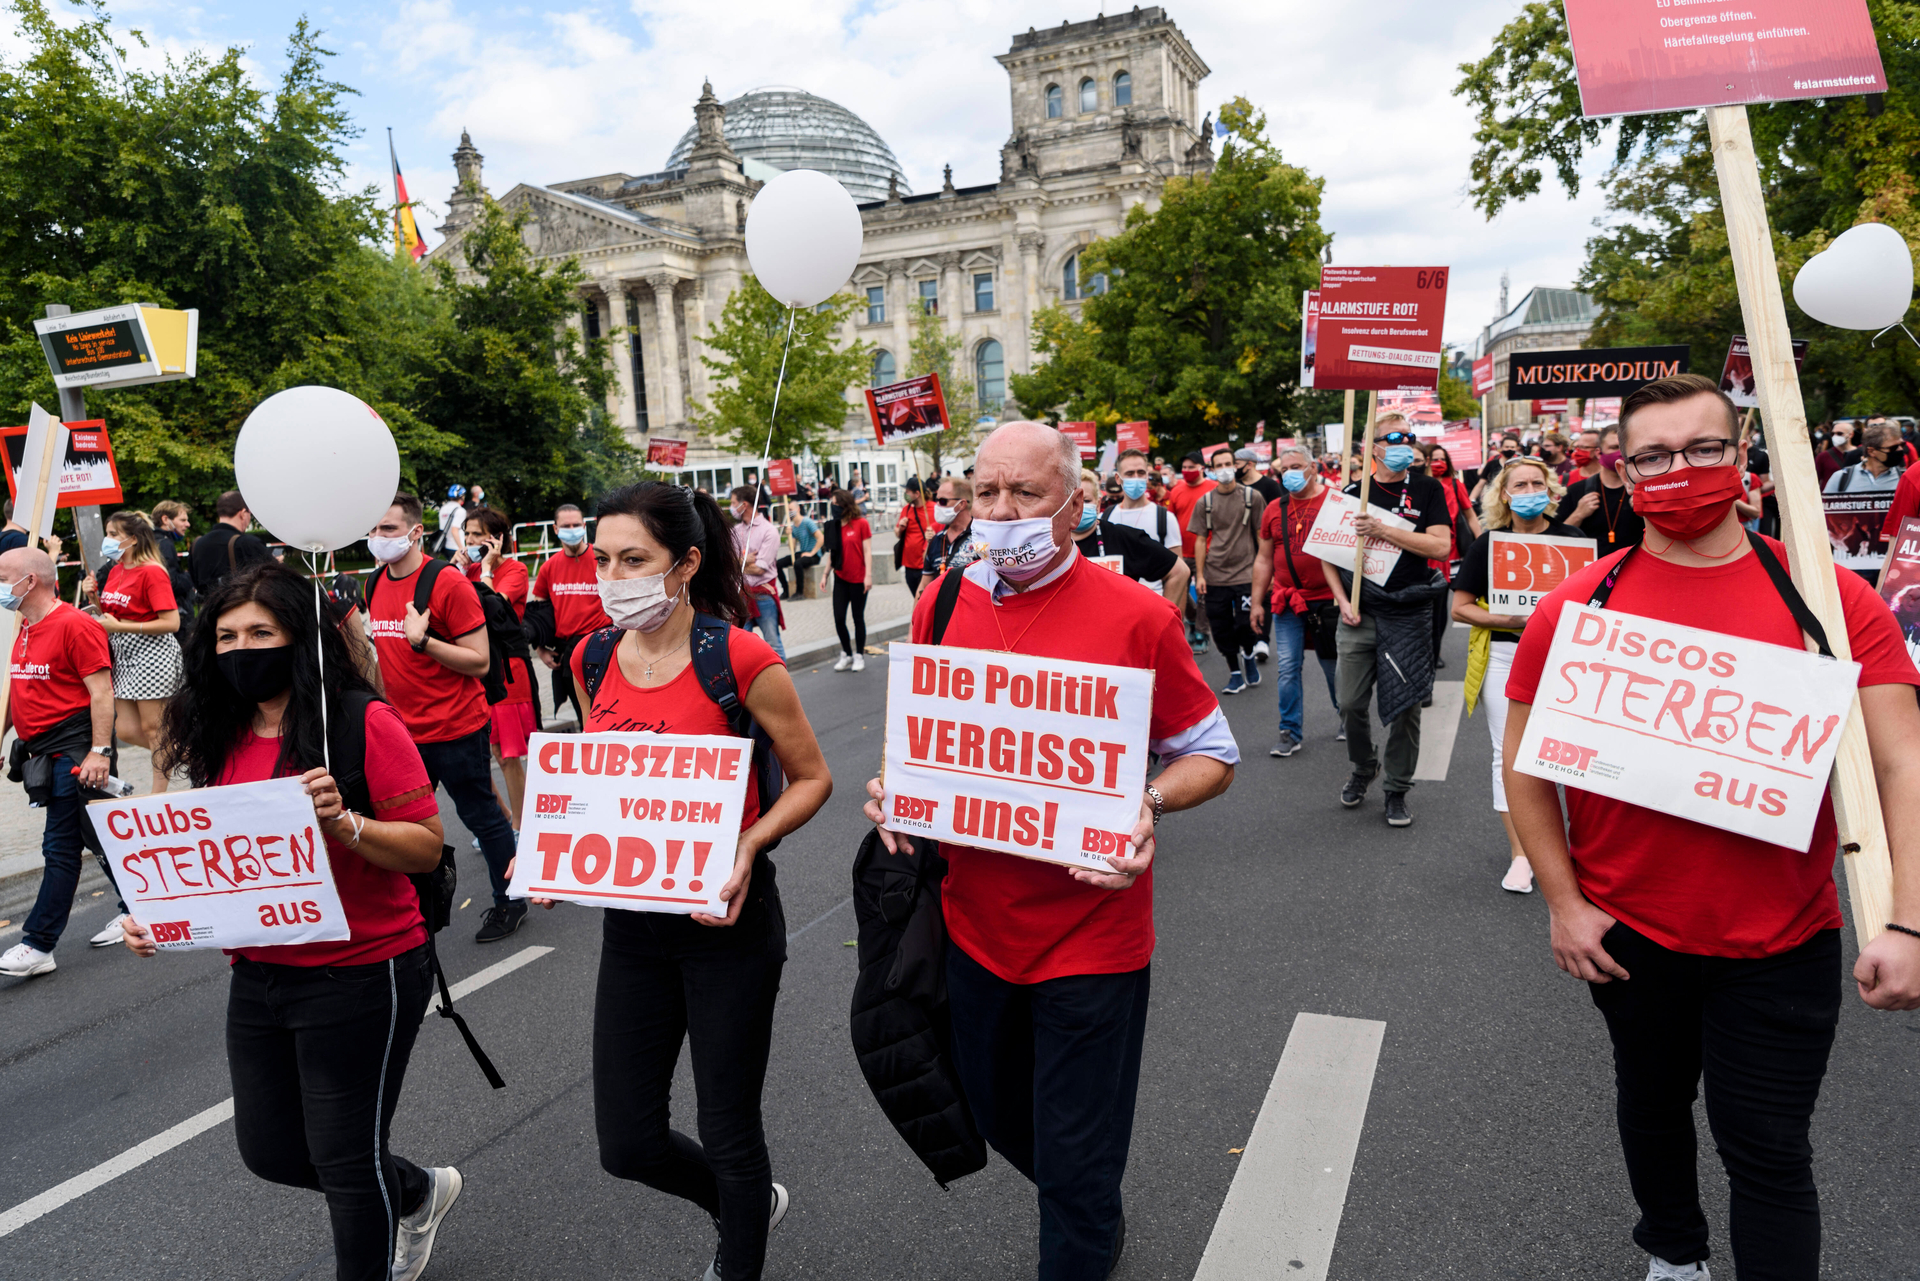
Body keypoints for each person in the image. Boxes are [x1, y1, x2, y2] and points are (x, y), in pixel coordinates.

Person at [1503, 372, 1920, 1281]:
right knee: (1650, 1106)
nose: (1678, 470)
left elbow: (1903, 766)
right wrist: (1565, 903)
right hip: (1628, 933)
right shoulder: (1575, 609)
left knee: (1769, 1150)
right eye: (1653, 456)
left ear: (1741, 462)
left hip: (1784, 937)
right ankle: (1675, 1253)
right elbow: (1526, 767)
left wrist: (1908, 918)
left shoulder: (1835, 606)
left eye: (1701, 449)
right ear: (1624, 471)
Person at [859, 421, 1237, 1281]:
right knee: (999, 1117)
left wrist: (1144, 803)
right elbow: (919, 737)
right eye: (984, 492)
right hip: (972, 929)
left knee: (1072, 1156)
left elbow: (1211, 753)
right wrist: (894, 785)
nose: (1000, 511)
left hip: (1092, 937)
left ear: (1077, 503)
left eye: (1025, 493)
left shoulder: (1138, 614)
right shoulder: (942, 600)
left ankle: (1081, 1214)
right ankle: (1090, 1203)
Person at [516, 481, 831, 1281]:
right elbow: (606, 782)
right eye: (603, 558)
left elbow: (810, 778)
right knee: (627, 1143)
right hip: (635, 930)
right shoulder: (592, 656)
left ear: (685, 563)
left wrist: (751, 843)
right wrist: (550, 848)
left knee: (730, 1130)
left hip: (728, 927)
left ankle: (741, 1246)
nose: (613, 575)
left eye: (635, 559)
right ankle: (744, 1204)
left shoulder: (739, 658)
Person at [124, 562, 462, 1281]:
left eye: (260, 632)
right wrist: (162, 916)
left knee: (344, 1155)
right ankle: (415, 1190)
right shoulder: (218, 730)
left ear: (300, 638)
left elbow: (425, 845)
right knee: (271, 1150)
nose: (241, 647)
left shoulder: (361, 719)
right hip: (261, 973)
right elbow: (222, 859)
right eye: (226, 635)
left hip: (364, 970)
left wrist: (346, 823)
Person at [364, 493, 524, 945]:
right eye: (373, 530)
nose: (379, 538)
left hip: (456, 727)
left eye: (389, 529)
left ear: (416, 532)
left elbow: (478, 660)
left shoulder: (447, 582)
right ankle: (412, 911)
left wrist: (425, 642)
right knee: (403, 827)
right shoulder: (373, 584)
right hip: (402, 731)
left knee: (482, 817)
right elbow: (382, 656)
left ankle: (510, 900)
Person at [1449, 457, 1581, 894]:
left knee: (1572, 756)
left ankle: (1579, 849)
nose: (1528, 491)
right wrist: (1507, 617)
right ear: (1504, 494)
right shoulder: (1488, 545)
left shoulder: (1574, 541)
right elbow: (1461, 607)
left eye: (1536, 483)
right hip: (1505, 657)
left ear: (1551, 489)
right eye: (1519, 485)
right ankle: (1522, 854)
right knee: (1507, 755)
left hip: (1564, 662)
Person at [0, 546, 127, 976]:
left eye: (3, 575)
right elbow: (17, 691)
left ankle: (39, 944)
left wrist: (100, 752)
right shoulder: (24, 625)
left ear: (29, 581)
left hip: (73, 753)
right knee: (99, 838)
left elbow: (102, 694)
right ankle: (140, 908)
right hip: (44, 750)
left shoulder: (76, 625)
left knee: (60, 847)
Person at [1322, 416, 1452, 828]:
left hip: (1410, 612)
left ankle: (1397, 788)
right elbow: (1327, 555)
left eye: (1409, 439)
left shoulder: (1428, 488)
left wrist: (1381, 529)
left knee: (1406, 708)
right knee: (1349, 703)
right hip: (1361, 612)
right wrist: (1342, 601)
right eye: (1393, 438)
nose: (1404, 445)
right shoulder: (1350, 494)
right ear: (1371, 446)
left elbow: (1441, 546)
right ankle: (1364, 766)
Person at [1250, 445, 1342, 757]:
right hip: (1286, 602)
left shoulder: (1334, 502)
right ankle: (1290, 731)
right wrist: (1257, 602)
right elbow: (1263, 560)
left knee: (1333, 667)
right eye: (1284, 469)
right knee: (1288, 666)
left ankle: (1347, 717)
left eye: (1297, 466)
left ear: (1314, 467)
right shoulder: (1273, 508)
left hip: (1328, 603)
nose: (1290, 473)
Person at [82, 510, 183, 793]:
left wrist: (124, 627)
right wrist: (93, 598)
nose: (108, 539)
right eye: (108, 533)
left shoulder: (152, 571)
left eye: (114, 534)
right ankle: (188, 753)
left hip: (152, 653)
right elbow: (111, 617)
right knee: (125, 729)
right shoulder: (115, 571)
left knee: (154, 729)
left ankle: (157, 793)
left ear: (134, 540)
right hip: (124, 654)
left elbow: (172, 622)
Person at [464, 505, 536, 835]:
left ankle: (522, 827)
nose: (469, 540)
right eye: (467, 534)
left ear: (496, 539)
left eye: (476, 534)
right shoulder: (469, 569)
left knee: (507, 754)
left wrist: (487, 569)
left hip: (508, 669)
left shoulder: (515, 570)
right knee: (486, 751)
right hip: (477, 669)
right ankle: (506, 817)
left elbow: (490, 607)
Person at [1191, 445, 1267, 695]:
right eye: (1218, 465)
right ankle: (1235, 673)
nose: (1224, 470)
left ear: (1235, 466)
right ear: (1211, 470)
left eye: (1228, 464)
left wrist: (1268, 572)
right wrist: (1200, 575)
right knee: (1220, 626)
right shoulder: (1206, 502)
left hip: (1246, 573)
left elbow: (1261, 535)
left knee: (1245, 625)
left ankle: (1248, 654)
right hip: (1215, 575)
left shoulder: (1252, 497)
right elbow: (1200, 540)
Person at [532, 504, 611, 727]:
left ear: (584, 526)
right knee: (584, 719)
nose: (572, 529)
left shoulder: (603, 559)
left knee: (610, 713)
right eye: (566, 526)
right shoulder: (549, 567)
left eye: (576, 525)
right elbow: (538, 615)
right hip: (568, 653)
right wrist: (540, 649)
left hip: (602, 647)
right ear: (556, 530)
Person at [1069, 467, 1184, 593]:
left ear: (1097, 504)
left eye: (1086, 500)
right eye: (1073, 501)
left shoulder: (1124, 538)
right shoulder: (1049, 544)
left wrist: (1168, 612)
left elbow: (1179, 572)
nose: (1080, 506)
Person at [1824, 419, 1904, 583]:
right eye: (1893, 448)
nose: (1900, 450)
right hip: (1852, 566)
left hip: (1895, 564)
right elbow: (1824, 519)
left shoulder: (1906, 479)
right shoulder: (1841, 479)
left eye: (1901, 445)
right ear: (1872, 451)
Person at [1106, 448, 1185, 605]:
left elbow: (1179, 576)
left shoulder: (1165, 518)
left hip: (1153, 605)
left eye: (1140, 473)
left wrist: (1176, 619)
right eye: (1129, 474)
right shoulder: (1106, 518)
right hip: (1116, 604)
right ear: (1118, 478)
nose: (1136, 478)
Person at [1561, 425, 1646, 550]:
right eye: (1614, 447)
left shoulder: (1644, 490)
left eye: (1624, 447)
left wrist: (1647, 514)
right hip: (1591, 566)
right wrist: (1578, 515)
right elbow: (1558, 538)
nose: (1620, 453)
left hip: (1634, 565)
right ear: (1598, 453)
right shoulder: (1575, 491)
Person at [1164, 453, 1216, 651]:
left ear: (1202, 467)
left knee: (1204, 593)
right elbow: (1170, 520)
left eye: (1191, 467)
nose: (1186, 471)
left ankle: (1202, 632)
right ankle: (1193, 621)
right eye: (1184, 467)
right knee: (1181, 590)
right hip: (1182, 552)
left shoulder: (1213, 488)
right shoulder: (1177, 490)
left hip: (1208, 551)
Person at [730, 486, 785, 659]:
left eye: (733, 503)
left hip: (763, 596)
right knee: (739, 645)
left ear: (744, 505)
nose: (731, 507)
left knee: (773, 644)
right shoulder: (735, 531)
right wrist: (745, 561)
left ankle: (781, 684)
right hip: (741, 595)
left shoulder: (769, 531)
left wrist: (738, 562)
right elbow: (728, 562)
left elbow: (760, 568)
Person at [189, 491, 273, 596]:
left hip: (208, 610)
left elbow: (195, 583)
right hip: (240, 610)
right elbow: (272, 582)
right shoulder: (248, 544)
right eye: (249, 514)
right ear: (242, 513)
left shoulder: (197, 544)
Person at [825, 489, 872, 672]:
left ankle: (859, 655)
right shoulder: (834, 526)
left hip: (859, 578)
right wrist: (825, 574)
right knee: (838, 618)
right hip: (840, 578)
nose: (833, 507)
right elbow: (832, 553)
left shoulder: (861, 523)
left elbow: (867, 551)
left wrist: (868, 575)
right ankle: (847, 653)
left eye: (836, 503)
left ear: (844, 505)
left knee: (857, 617)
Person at [922, 475, 979, 576]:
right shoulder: (937, 539)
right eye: (936, 499)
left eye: (943, 501)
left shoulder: (981, 536)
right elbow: (924, 584)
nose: (937, 505)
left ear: (961, 504)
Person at [894, 477, 933, 598]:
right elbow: (897, 533)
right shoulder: (907, 509)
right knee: (916, 597)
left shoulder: (933, 509)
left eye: (907, 492)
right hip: (909, 565)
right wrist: (900, 527)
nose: (905, 495)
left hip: (926, 566)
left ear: (917, 494)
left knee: (924, 598)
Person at [778, 505, 821, 600]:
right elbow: (792, 549)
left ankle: (799, 592)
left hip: (814, 555)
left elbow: (821, 537)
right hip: (803, 552)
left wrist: (812, 553)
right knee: (777, 564)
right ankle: (786, 591)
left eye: (790, 509)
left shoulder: (807, 522)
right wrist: (789, 536)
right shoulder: (793, 527)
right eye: (788, 510)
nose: (789, 511)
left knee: (798, 564)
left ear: (798, 509)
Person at [435, 485, 467, 558]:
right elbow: (454, 530)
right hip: (455, 547)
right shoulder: (460, 511)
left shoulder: (443, 508)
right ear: (462, 496)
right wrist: (461, 548)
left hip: (445, 546)